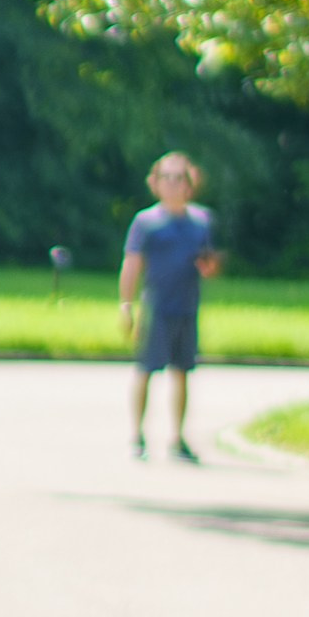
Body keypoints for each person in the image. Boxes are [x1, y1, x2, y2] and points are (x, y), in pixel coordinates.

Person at [118, 152, 220, 462]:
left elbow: (209, 263)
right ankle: (137, 434)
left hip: (187, 306)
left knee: (182, 373)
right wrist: (126, 304)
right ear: (156, 183)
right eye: (167, 178)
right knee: (146, 371)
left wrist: (209, 267)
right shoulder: (146, 222)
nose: (174, 185)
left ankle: (178, 437)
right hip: (157, 307)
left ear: (190, 185)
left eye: (180, 179)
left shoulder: (201, 221)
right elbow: (132, 263)